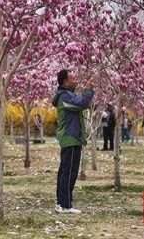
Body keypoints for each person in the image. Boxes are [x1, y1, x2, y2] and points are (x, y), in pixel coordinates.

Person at [52, 69, 94, 214]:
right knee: (69, 172)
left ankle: (62, 202)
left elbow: (82, 103)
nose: (76, 80)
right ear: (65, 81)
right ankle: (65, 205)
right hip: (70, 138)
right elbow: (82, 103)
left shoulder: (67, 96)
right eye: (73, 78)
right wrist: (89, 89)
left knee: (66, 171)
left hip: (72, 138)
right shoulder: (64, 97)